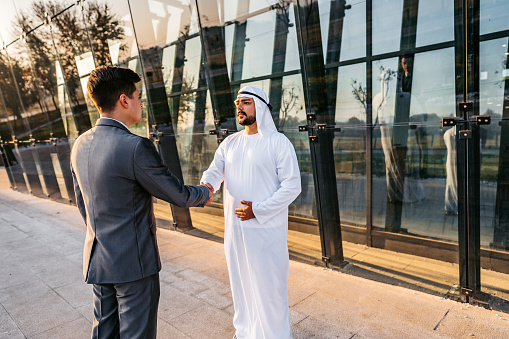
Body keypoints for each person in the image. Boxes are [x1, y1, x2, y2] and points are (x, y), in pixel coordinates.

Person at [70, 66, 212, 339]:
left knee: (104, 333)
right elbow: (177, 194)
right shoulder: (135, 146)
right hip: (134, 264)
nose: (141, 103)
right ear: (124, 100)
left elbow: (82, 204)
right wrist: (205, 191)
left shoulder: (80, 144)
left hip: (98, 259)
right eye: (137, 96)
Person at [201, 86, 301, 339]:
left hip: (266, 231)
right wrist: (207, 185)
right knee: (241, 286)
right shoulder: (231, 142)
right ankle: (245, 333)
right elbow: (215, 170)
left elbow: (292, 186)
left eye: (245, 102)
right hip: (235, 231)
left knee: (269, 289)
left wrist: (258, 210)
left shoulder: (278, 143)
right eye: (238, 103)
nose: (239, 107)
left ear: (261, 107)